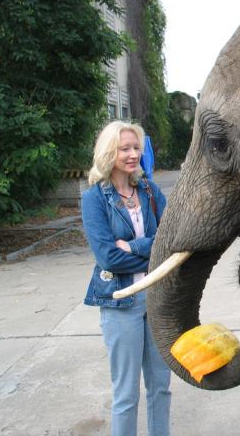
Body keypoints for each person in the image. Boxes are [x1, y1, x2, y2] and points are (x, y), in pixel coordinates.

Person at [81, 121, 171, 436]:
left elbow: (172, 238)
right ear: (109, 152)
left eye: (137, 148)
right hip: (122, 303)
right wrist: (155, 248)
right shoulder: (94, 198)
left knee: (161, 386)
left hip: (158, 298)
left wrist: (133, 245)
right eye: (125, 148)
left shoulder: (149, 191)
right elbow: (108, 257)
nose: (133, 154)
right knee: (126, 394)